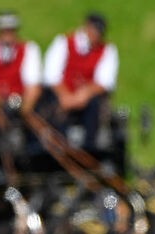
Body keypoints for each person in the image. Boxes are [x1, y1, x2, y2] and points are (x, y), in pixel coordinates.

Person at [41, 12, 119, 147]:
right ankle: (58, 147)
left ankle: (90, 148)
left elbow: (105, 81)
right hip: (61, 96)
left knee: (95, 106)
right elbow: (51, 75)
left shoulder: (107, 50)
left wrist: (83, 95)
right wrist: (65, 96)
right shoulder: (63, 43)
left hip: (88, 99)